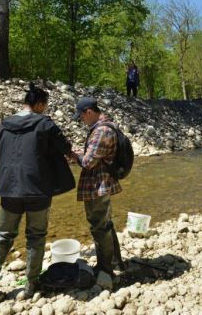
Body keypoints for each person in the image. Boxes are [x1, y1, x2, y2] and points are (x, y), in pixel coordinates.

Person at [0, 83, 75, 302]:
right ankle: (31, 284)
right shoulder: (45, 123)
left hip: (9, 187)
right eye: (45, 105)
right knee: (36, 236)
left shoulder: (5, 124)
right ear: (40, 104)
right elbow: (65, 147)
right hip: (37, 189)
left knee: (3, 235)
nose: (45, 109)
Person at [70, 97, 122, 288]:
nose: (82, 120)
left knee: (99, 226)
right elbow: (95, 155)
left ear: (89, 112)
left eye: (82, 116)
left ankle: (105, 268)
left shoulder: (101, 131)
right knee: (105, 224)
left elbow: (88, 162)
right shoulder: (105, 127)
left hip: (98, 186)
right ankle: (115, 263)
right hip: (101, 184)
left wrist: (73, 155)